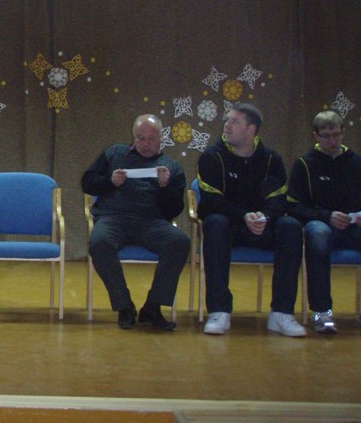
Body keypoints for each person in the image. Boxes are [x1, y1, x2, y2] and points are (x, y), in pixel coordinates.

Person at [197, 103, 305, 337]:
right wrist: (243, 216)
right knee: (214, 222)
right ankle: (219, 311)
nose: (226, 125)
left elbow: (279, 200)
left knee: (291, 227)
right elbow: (210, 201)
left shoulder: (271, 159)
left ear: (251, 130)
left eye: (234, 121)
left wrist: (264, 217)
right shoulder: (212, 157)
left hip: (262, 227)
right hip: (229, 227)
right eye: (227, 120)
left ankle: (282, 313)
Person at [81, 114, 190, 331]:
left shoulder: (172, 167)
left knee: (179, 242)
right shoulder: (114, 153)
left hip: (152, 222)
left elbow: (175, 209)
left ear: (161, 138)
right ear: (133, 137)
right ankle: (124, 306)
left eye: (151, 139)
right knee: (99, 243)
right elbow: (88, 183)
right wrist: (109, 181)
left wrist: (165, 187)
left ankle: (153, 307)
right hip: (113, 219)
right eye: (140, 138)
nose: (145, 144)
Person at [287, 110, 361, 333]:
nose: (332, 140)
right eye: (326, 136)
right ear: (316, 136)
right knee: (317, 235)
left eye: (336, 135)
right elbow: (293, 206)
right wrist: (327, 216)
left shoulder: (357, 163)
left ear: (343, 133)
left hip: (355, 225)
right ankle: (322, 311)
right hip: (321, 223)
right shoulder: (304, 165)